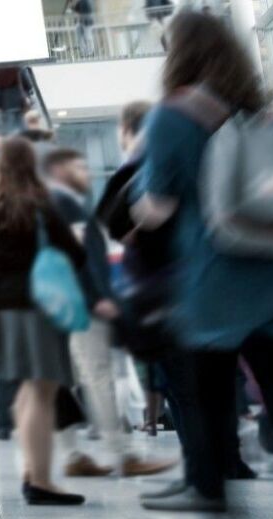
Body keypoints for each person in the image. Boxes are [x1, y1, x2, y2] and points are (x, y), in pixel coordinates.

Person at [130, 13, 273, 519]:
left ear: (178, 54)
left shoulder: (172, 117)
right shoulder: (263, 112)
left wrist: (137, 210)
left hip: (213, 282)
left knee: (201, 399)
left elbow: (156, 207)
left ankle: (206, 492)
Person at [41, 148, 178, 479]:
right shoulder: (65, 204)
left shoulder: (56, 204)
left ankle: (73, 454)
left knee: (69, 380)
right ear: (58, 170)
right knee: (98, 377)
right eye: (78, 166)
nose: (86, 172)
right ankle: (124, 454)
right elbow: (76, 257)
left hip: (64, 306)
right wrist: (95, 298)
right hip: (82, 307)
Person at [0, 135, 96, 506]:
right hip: (40, 304)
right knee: (43, 391)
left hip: (7, 306)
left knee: (28, 391)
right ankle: (42, 481)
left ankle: (33, 471)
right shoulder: (39, 201)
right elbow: (76, 254)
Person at [0, 67, 28, 133]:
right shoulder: (17, 69)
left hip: (6, 104)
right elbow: (27, 84)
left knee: (9, 127)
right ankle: (23, 140)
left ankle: (12, 141)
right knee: (22, 124)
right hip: (19, 102)